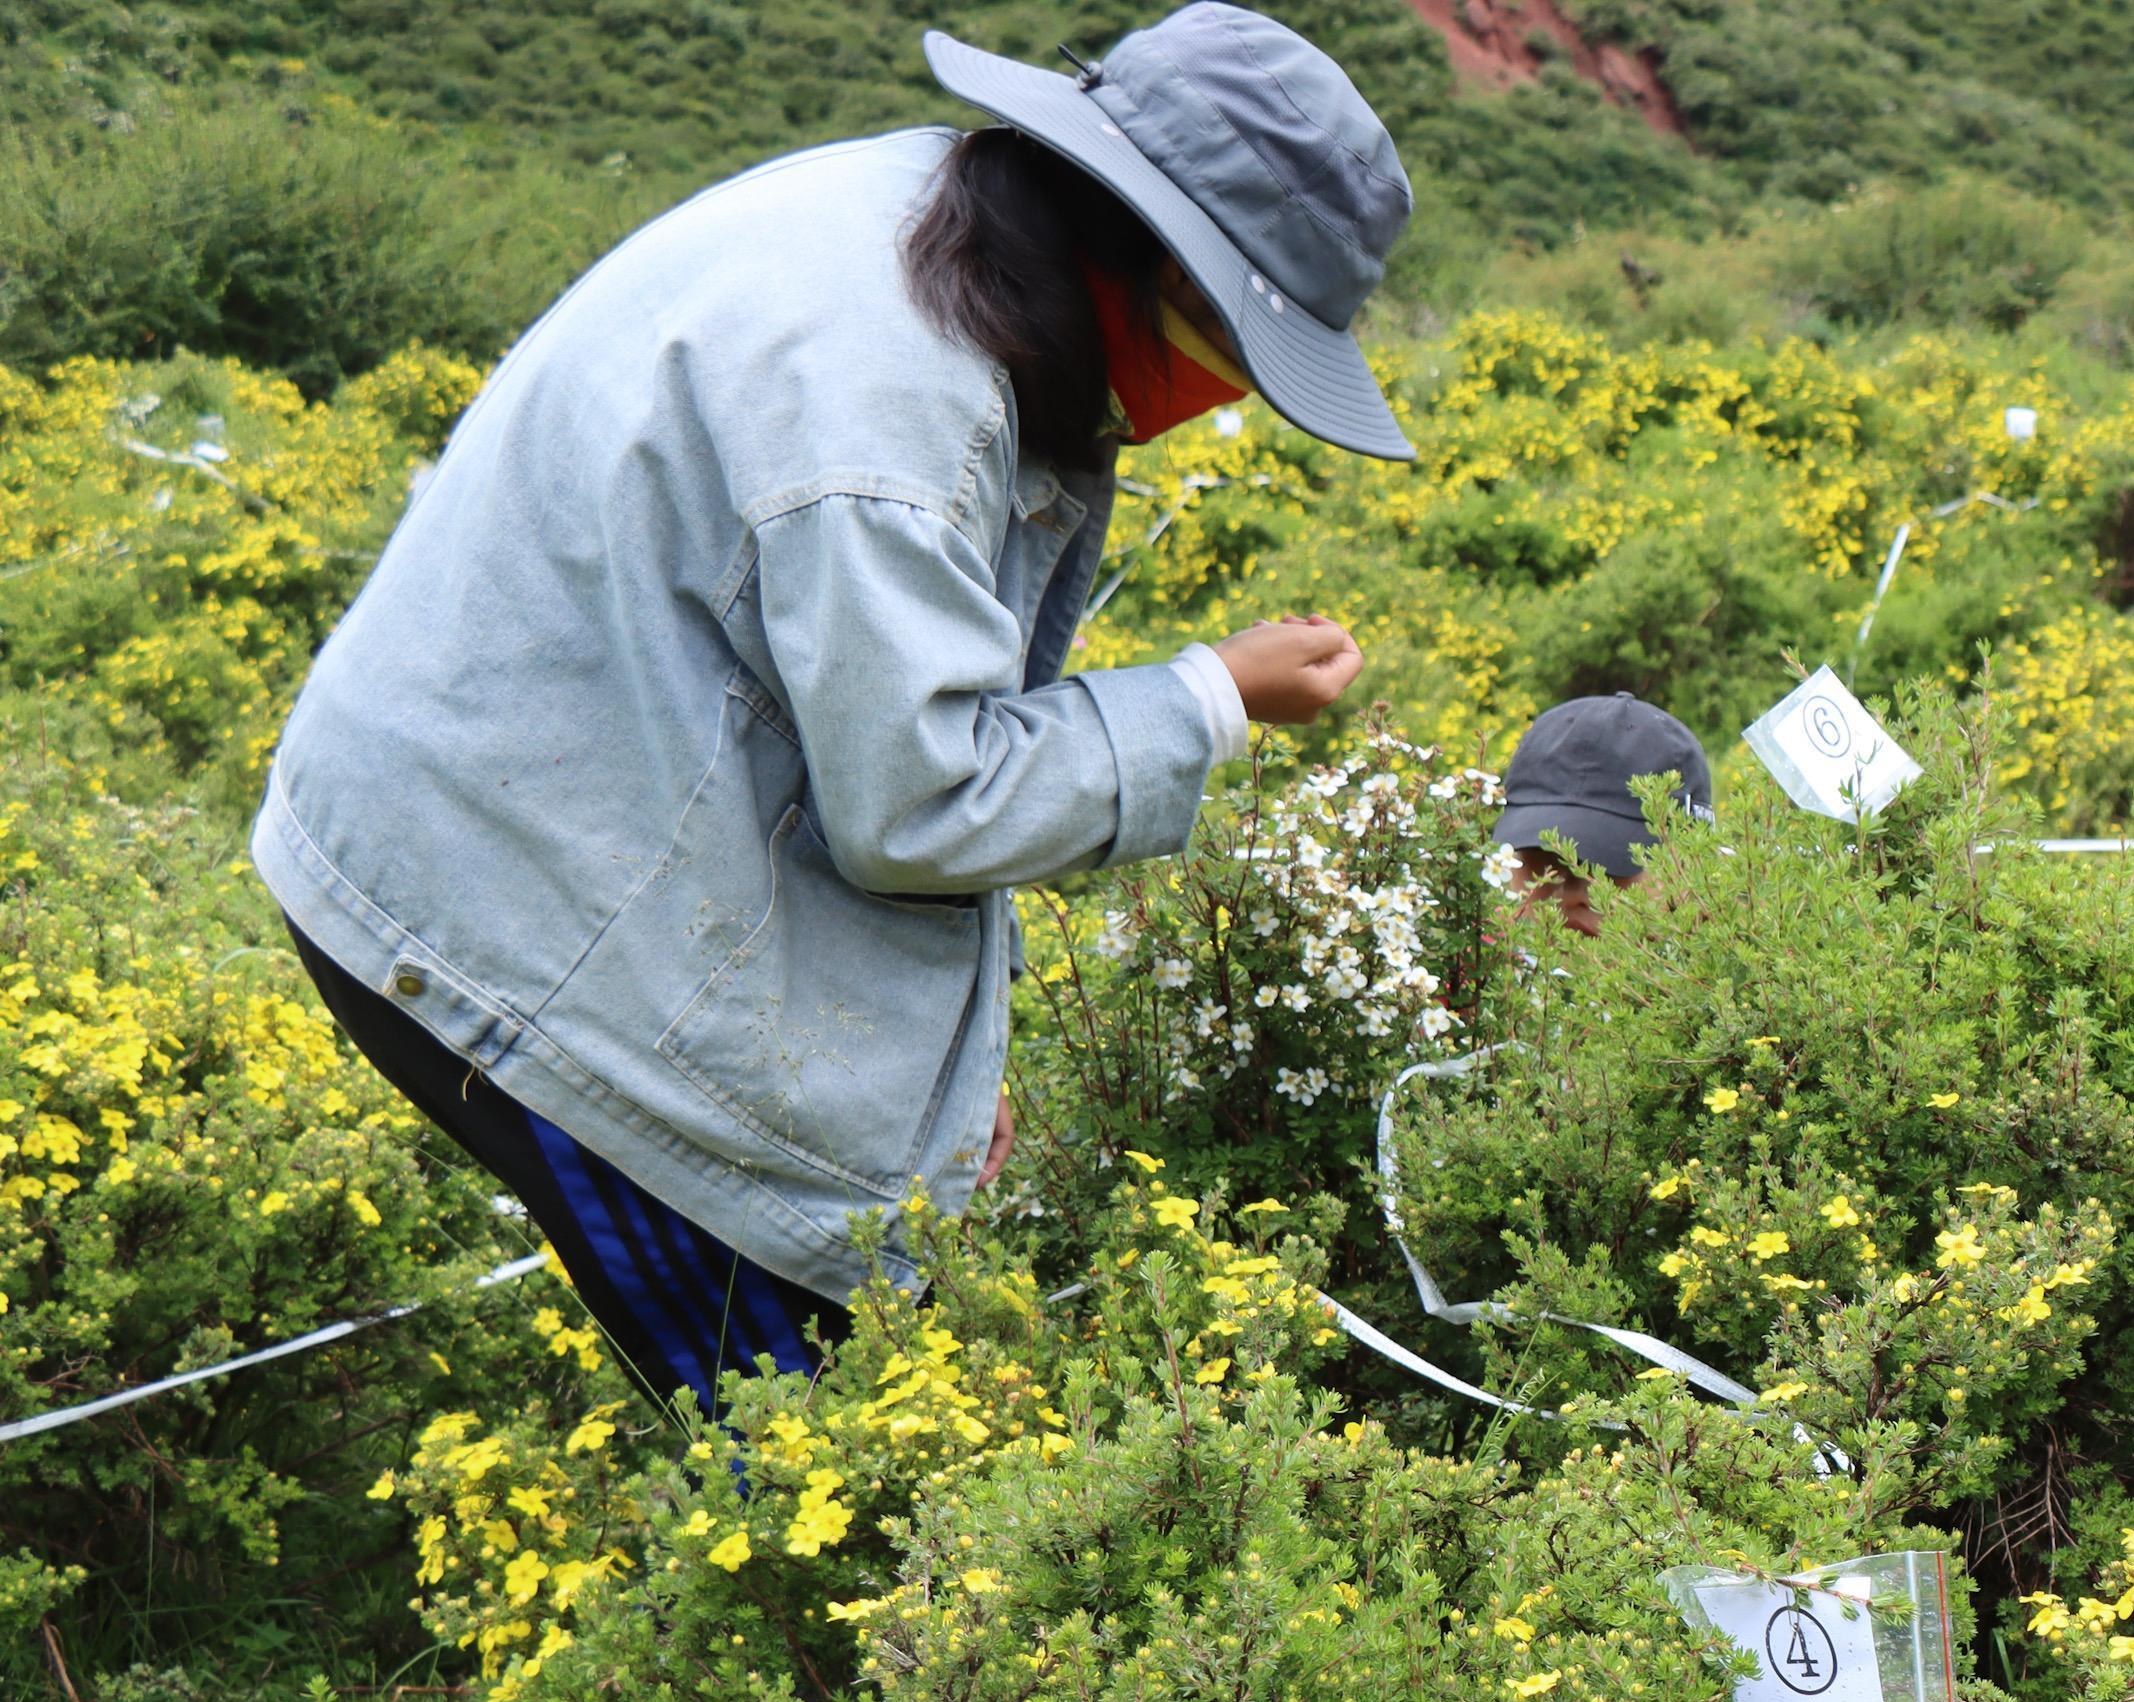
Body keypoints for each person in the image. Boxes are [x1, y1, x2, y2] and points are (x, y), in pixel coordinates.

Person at [254, 4, 1412, 1408]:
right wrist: (1207, 701)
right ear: (1154, 256)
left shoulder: (943, 219)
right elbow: (920, 800)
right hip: (503, 910)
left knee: (820, 1348)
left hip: (562, 788)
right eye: (1234, 355)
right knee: (804, 1417)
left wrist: (920, 1094)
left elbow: (838, 723)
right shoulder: (898, 414)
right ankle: (811, 1620)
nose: (1222, 405)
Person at [1492, 693, 1714, 936]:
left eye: (1611, 865)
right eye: (1544, 853)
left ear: (1691, 864)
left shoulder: (1755, 967)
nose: (1573, 893)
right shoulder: (1464, 965)